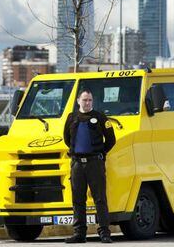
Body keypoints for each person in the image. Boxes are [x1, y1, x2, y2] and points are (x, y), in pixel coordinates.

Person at [63, 89, 116, 244]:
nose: (87, 103)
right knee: (78, 200)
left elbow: (111, 140)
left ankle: (105, 232)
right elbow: (67, 139)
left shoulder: (100, 117)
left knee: (100, 199)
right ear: (78, 100)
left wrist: (100, 154)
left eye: (90, 100)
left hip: (95, 164)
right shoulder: (71, 118)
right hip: (77, 164)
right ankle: (79, 233)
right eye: (85, 100)